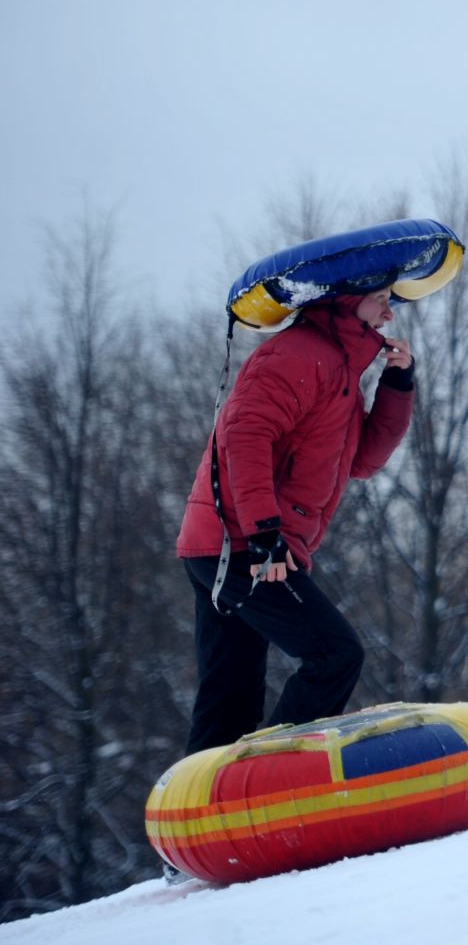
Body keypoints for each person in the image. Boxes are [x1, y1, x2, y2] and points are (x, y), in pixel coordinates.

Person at [175, 288, 416, 752]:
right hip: (243, 543)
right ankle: (271, 780)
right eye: (381, 298)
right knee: (334, 654)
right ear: (348, 299)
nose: (389, 312)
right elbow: (243, 435)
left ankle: (209, 812)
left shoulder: (340, 367)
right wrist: (265, 531)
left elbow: (363, 461)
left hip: (235, 544)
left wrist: (396, 386)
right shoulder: (299, 355)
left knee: (231, 695)